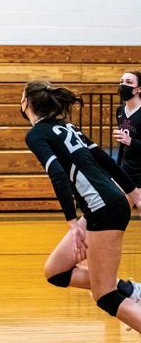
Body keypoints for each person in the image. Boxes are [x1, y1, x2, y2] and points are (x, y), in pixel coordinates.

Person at [20, 80, 141, 332]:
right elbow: (107, 162)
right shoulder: (66, 126)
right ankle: (131, 291)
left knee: (105, 296)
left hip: (103, 209)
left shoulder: (36, 135)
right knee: (56, 272)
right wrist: (133, 194)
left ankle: (126, 294)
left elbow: (57, 174)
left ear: (27, 103)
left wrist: (72, 223)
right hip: (106, 204)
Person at [113, 71, 141, 207]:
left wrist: (131, 141)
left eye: (129, 82)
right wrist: (117, 169)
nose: (123, 85)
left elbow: (128, 141)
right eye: (121, 81)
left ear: (138, 88)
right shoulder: (120, 110)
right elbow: (122, 145)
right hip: (126, 169)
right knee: (121, 212)